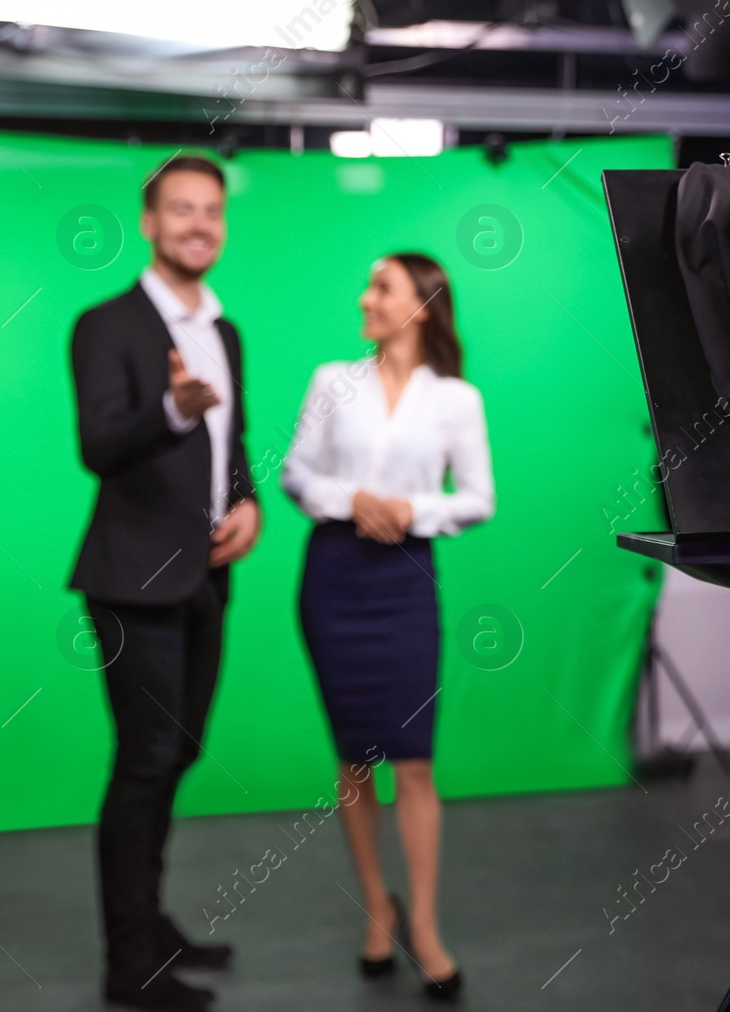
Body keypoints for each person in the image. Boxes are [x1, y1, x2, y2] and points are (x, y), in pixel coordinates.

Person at [69, 155, 261, 1012]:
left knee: (176, 753)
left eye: (211, 211)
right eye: (180, 210)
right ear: (148, 222)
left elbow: (235, 444)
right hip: (131, 584)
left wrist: (249, 505)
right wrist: (176, 408)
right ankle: (128, 963)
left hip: (206, 579)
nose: (197, 225)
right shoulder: (105, 324)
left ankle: (151, 922)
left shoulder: (224, 330)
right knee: (144, 762)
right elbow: (100, 446)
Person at [280, 253, 494, 1003]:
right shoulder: (330, 380)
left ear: (423, 306)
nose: (365, 297)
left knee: (414, 763)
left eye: (382, 287)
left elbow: (476, 498)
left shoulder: (457, 399)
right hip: (335, 578)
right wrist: (356, 500)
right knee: (356, 759)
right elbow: (295, 474)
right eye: (367, 283)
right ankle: (378, 906)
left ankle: (425, 925)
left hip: (406, 582)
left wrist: (411, 511)